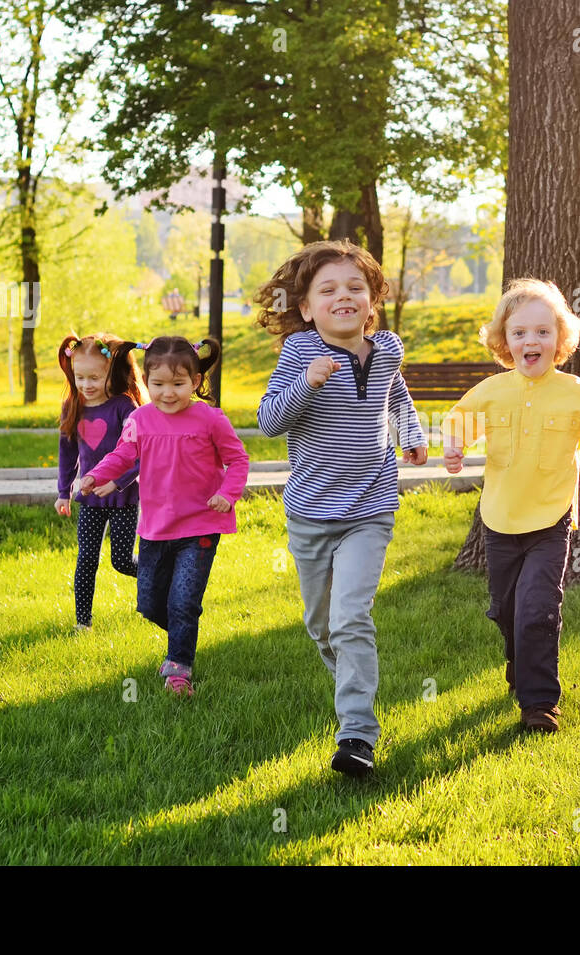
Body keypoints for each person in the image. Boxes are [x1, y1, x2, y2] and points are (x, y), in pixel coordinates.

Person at [443, 278, 580, 733]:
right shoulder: (492, 390)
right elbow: (457, 422)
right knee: (506, 609)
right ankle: (516, 660)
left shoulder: (575, 392)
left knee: (538, 609)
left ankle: (539, 704)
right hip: (500, 521)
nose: (531, 340)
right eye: (520, 332)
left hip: (551, 520)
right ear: (504, 341)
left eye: (543, 332)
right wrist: (453, 450)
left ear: (560, 340)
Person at [255, 240, 427, 777]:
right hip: (311, 513)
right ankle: (350, 681)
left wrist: (411, 433)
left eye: (355, 288)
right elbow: (269, 422)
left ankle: (356, 731)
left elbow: (395, 394)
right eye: (327, 290)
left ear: (371, 302)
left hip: (371, 506)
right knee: (322, 625)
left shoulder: (388, 349)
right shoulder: (298, 355)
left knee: (351, 618)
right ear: (306, 307)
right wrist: (308, 384)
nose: (343, 297)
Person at [79, 336, 249, 697]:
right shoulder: (139, 420)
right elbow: (122, 456)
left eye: (177, 384)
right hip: (155, 529)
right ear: (147, 382)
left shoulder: (210, 418)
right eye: (157, 384)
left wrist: (226, 494)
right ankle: (181, 631)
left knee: (184, 601)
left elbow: (238, 460)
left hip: (200, 526)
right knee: (151, 603)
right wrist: (97, 474)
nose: (167, 393)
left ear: (195, 382)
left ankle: (179, 668)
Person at [54, 333, 144, 630]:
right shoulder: (74, 406)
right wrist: (63, 492)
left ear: (111, 372)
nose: (86, 385)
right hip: (90, 498)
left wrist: (119, 482)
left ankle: (156, 578)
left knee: (121, 560)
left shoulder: (124, 408)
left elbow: (138, 454)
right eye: (80, 377)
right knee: (86, 561)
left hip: (124, 497)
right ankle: (83, 623)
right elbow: (67, 454)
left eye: (94, 377)